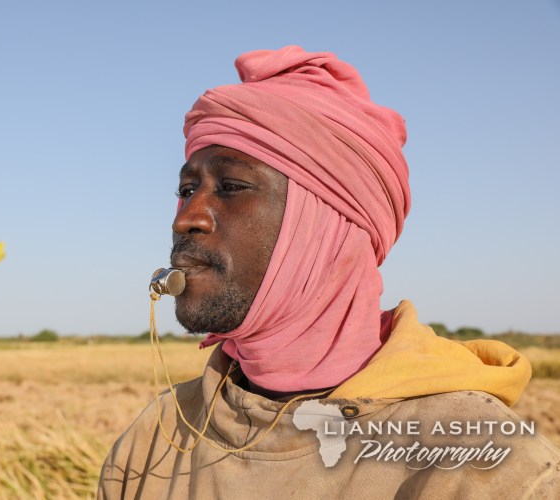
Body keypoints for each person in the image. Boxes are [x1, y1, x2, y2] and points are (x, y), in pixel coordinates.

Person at [98, 46, 560, 498]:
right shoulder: (156, 440)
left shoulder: (486, 466)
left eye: (232, 187)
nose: (186, 217)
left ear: (326, 227)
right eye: (187, 188)